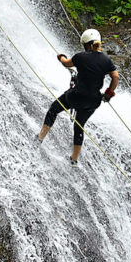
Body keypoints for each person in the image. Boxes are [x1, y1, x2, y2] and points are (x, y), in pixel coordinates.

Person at [38, 28, 119, 164]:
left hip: (76, 96)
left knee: (54, 108)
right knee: (79, 125)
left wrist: (60, 57)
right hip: (93, 101)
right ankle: (74, 159)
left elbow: (65, 63)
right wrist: (108, 94)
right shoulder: (107, 60)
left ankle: (40, 138)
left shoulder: (80, 57)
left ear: (87, 44)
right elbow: (115, 77)